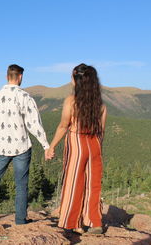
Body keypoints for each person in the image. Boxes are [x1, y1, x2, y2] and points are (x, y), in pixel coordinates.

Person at [0, 64, 51, 225]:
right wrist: (46, 145)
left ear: (6, 76)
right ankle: (20, 220)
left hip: (0, 147)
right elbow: (34, 124)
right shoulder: (24, 97)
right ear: (20, 77)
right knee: (21, 185)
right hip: (21, 146)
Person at [46, 63, 107, 234]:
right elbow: (101, 132)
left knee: (74, 183)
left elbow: (63, 126)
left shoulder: (71, 101)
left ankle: (73, 223)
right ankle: (94, 221)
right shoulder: (101, 106)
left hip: (77, 142)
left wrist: (51, 147)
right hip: (94, 144)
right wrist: (97, 150)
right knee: (93, 184)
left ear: (76, 81)